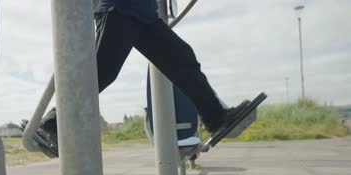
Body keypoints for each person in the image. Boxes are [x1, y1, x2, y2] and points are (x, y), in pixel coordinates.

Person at [37, 0, 248, 154]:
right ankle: (52, 121)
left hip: (147, 15)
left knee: (183, 58)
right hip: (117, 9)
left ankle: (216, 118)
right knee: (103, 73)